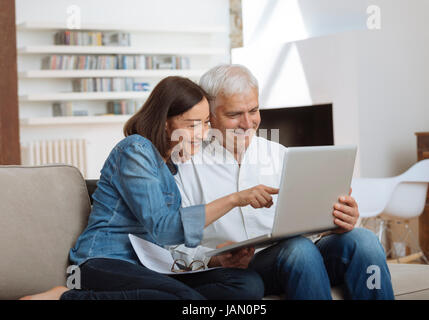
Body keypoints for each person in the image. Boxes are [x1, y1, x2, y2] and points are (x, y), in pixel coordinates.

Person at [20, 76, 276, 300]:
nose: (203, 133)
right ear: (165, 123)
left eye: (206, 123)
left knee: (247, 285)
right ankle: (65, 297)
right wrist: (235, 199)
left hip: (151, 267)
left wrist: (213, 259)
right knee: (181, 297)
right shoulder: (135, 150)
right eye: (192, 125)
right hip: (104, 262)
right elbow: (165, 228)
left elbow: (170, 244)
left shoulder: (172, 166)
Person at [169, 65, 395, 300]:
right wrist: (213, 258)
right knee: (299, 250)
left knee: (364, 241)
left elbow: (309, 229)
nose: (248, 124)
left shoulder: (280, 155)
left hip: (300, 258)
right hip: (245, 273)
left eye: (254, 110)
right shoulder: (186, 166)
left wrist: (335, 223)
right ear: (209, 116)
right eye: (234, 114)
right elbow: (170, 248)